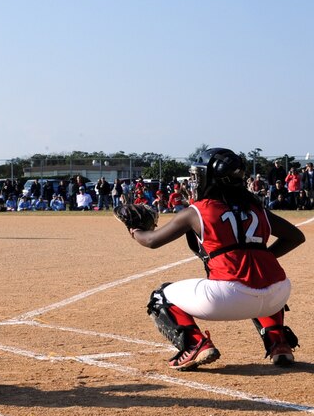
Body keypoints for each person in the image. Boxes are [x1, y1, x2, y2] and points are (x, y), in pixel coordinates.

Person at [126, 148, 305, 370]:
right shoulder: (257, 208)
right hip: (278, 293)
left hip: (228, 297)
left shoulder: (196, 211)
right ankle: (279, 343)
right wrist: (264, 256)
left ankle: (195, 345)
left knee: (160, 296)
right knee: (263, 278)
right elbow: (296, 236)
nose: (195, 180)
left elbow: (151, 241)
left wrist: (134, 229)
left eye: (198, 175)